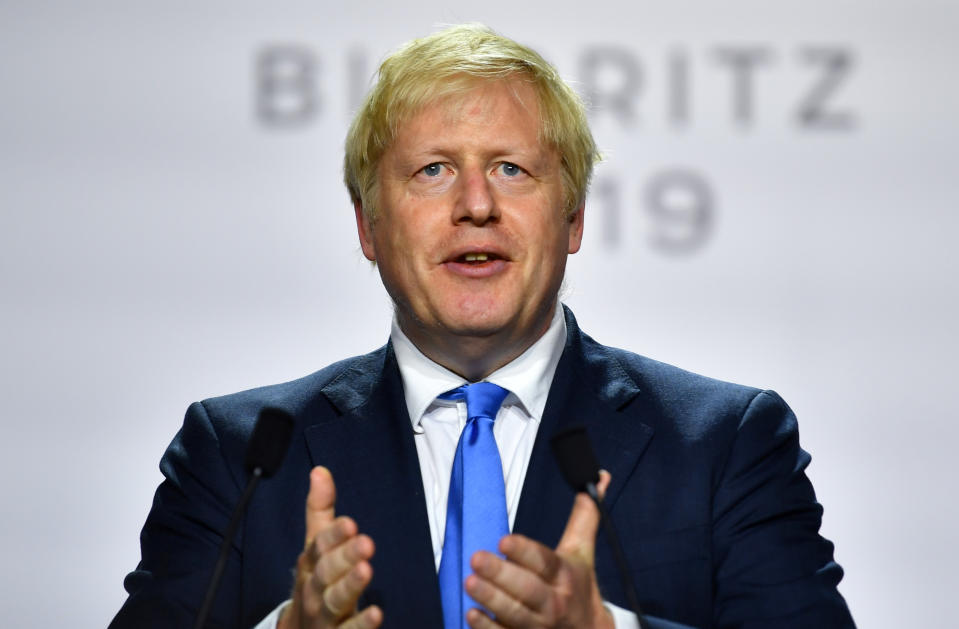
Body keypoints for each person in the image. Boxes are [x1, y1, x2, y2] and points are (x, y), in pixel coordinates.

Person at [111, 24, 855, 629]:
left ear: (573, 219)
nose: (474, 204)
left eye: (511, 169)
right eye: (432, 169)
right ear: (369, 226)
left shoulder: (725, 442)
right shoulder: (236, 457)